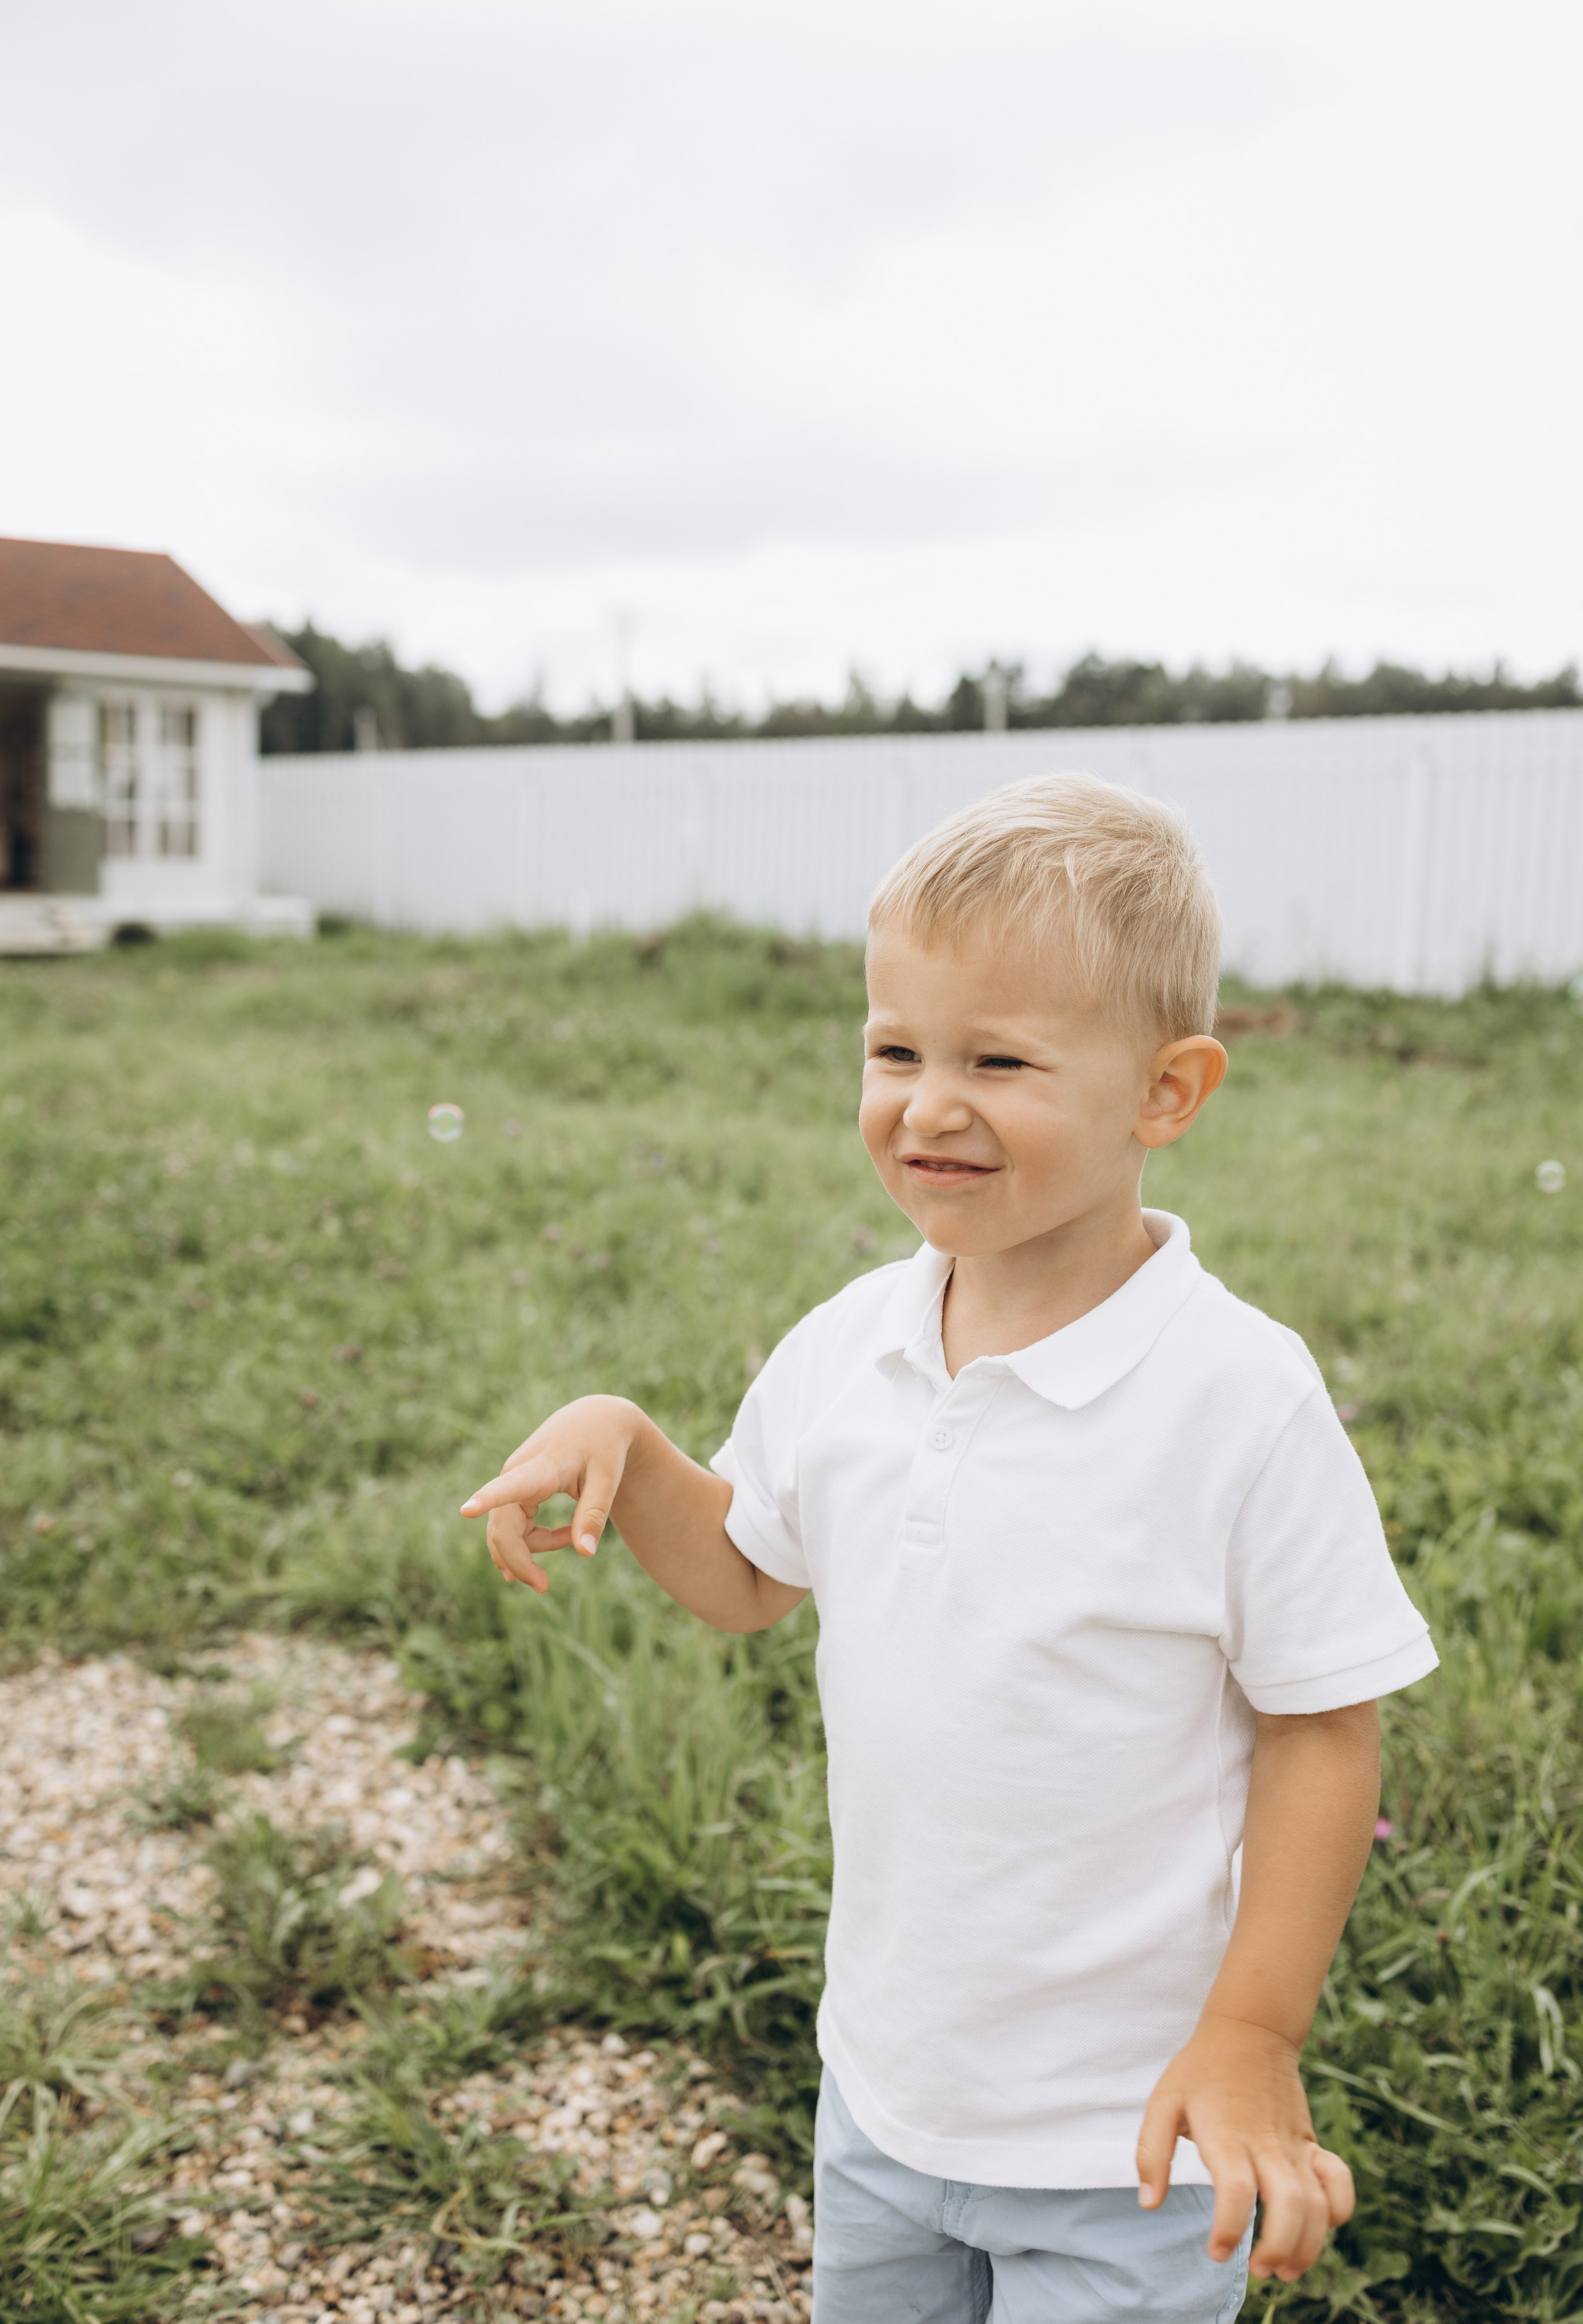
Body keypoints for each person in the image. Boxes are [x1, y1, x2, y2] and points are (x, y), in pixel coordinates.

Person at [462, 775, 1436, 2323]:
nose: (926, 1105)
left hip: (1129, 2135)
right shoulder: (849, 1345)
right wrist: (628, 1446)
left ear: (1165, 1093)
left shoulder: (1238, 1400)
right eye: (895, 1051)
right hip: (885, 2091)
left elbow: (1321, 1725)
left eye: (997, 1060)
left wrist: (1251, 2036)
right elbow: (749, 1577)